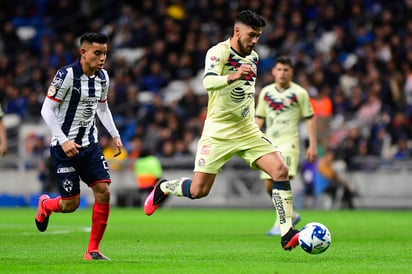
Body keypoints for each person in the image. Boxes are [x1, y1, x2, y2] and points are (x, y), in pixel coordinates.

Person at [144, 10, 300, 251]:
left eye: (258, 36)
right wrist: (233, 76)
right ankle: (163, 187)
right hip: (218, 133)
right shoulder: (219, 52)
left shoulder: (254, 57)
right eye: (252, 35)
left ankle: (287, 232)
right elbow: (207, 82)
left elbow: (245, 94)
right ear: (237, 31)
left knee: (280, 170)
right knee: (198, 191)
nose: (255, 40)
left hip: (247, 131)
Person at [35, 32, 123, 260]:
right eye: (97, 53)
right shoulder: (65, 76)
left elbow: (103, 108)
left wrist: (114, 134)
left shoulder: (103, 77)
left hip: (90, 145)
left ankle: (92, 250)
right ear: (83, 53)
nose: (102, 58)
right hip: (63, 147)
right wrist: (63, 140)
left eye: (105, 53)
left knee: (103, 192)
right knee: (70, 204)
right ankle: (45, 204)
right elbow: (47, 110)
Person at [255, 56, 317, 236]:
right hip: (269, 143)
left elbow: (310, 119)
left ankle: (281, 223)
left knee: (281, 180)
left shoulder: (300, 93)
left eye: (286, 70)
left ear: (292, 73)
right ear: (273, 71)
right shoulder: (266, 93)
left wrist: (312, 145)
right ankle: (291, 214)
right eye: (279, 70)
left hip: (290, 143)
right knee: (268, 186)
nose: (282, 73)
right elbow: (259, 119)